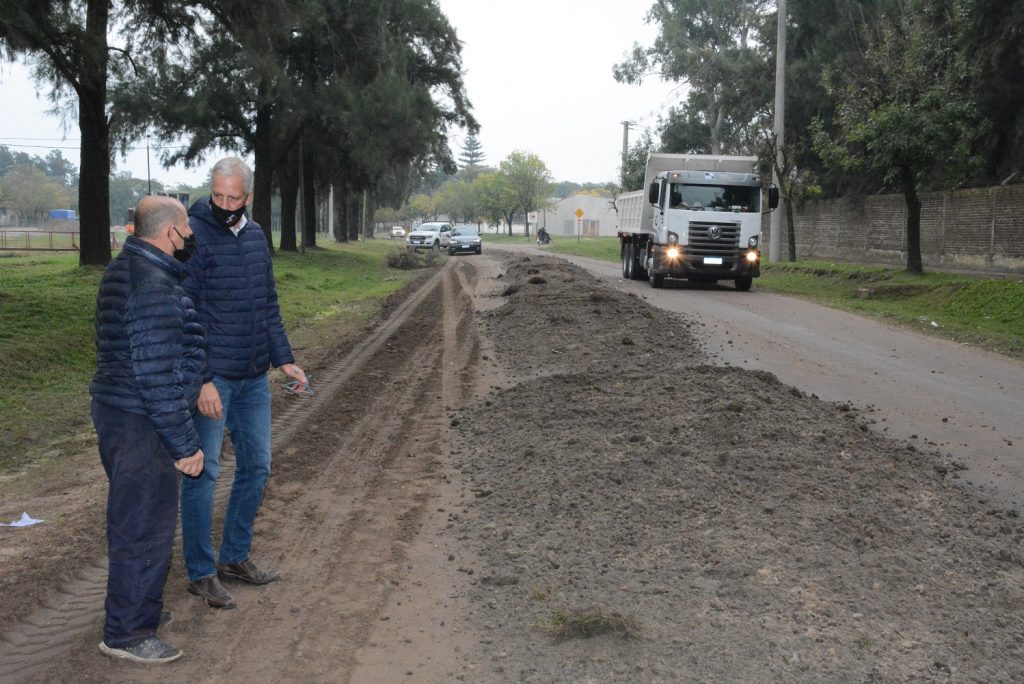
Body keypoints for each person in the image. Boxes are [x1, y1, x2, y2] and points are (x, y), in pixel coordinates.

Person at [180, 157, 306, 608]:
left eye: (233, 198)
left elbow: (267, 303)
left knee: (257, 467)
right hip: (214, 379)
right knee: (205, 472)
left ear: (248, 197)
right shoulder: (194, 237)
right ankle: (200, 572)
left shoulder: (255, 236)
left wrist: (284, 359)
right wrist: (202, 380)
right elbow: (186, 314)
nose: (225, 204)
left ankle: (234, 556)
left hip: (253, 377)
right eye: (218, 195)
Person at [90, 195, 206, 663]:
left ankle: (139, 610)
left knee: (138, 518)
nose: (191, 236)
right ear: (170, 232)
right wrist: (184, 445)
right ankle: (128, 633)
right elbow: (156, 376)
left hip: (122, 412)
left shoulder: (129, 268)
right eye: (187, 229)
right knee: (143, 525)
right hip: (141, 421)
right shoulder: (152, 284)